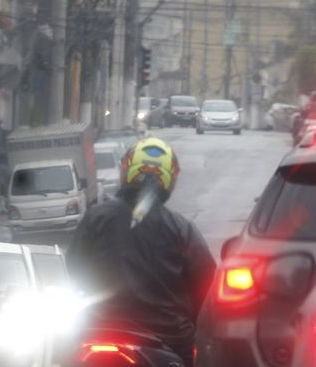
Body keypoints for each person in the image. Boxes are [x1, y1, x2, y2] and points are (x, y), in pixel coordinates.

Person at [67, 137, 216, 366]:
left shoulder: (96, 217)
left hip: (96, 331)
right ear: (169, 178)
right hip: (167, 340)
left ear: (126, 170)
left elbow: (74, 267)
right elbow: (207, 285)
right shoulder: (181, 229)